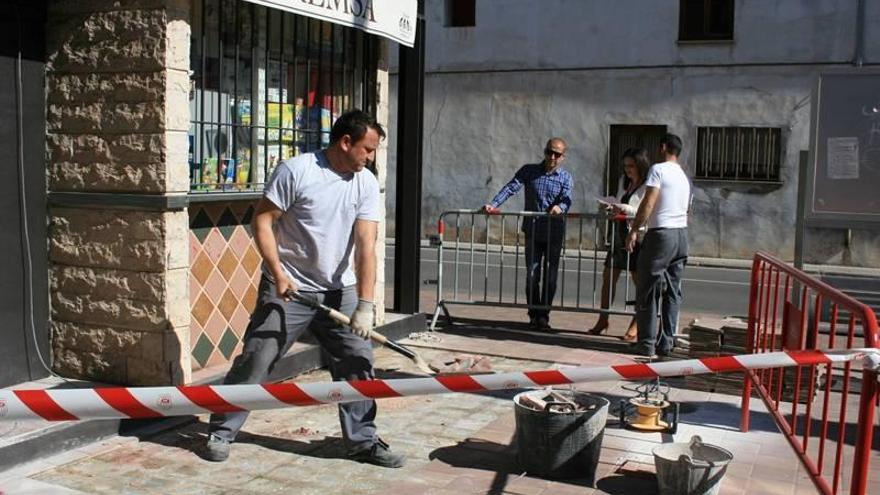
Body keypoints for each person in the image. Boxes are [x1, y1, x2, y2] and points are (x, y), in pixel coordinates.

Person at [205, 110, 406, 468]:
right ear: (346, 142)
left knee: (358, 364)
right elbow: (263, 221)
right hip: (289, 287)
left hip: (339, 291)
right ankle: (221, 431)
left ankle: (362, 441)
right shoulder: (297, 171)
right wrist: (277, 272)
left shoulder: (364, 183)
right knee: (257, 359)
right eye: (367, 149)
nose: (371, 157)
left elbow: (366, 246)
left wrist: (365, 303)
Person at [483, 138, 573, 330]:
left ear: (563, 157)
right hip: (532, 231)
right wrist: (493, 204)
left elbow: (567, 200)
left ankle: (544, 315)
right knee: (532, 275)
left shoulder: (566, 178)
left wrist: (560, 207)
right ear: (544, 151)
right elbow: (511, 187)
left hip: (554, 233)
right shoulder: (529, 171)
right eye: (549, 152)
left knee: (551, 277)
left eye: (557, 154)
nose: (552, 157)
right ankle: (533, 314)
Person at [625, 134, 691, 358]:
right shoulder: (683, 176)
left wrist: (635, 229)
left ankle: (647, 343)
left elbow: (649, 201)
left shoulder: (658, 169)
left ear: (663, 147)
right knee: (672, 291)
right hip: (681, 234)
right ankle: (667, 343)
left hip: (661, 234)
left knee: (648, 289)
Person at [588, 148, 651, 341]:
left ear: (640, 165)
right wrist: (610, 206)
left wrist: (622, 208)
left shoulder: (648, 185)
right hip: (619, 234)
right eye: (625, 166)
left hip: (637, 236)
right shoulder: (625, 182)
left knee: (639, 282)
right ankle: (603, 319)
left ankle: (636, 323)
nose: (627, 170)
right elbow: (619, 201)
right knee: (608, 277)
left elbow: (643, 211)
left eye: (631, 166)